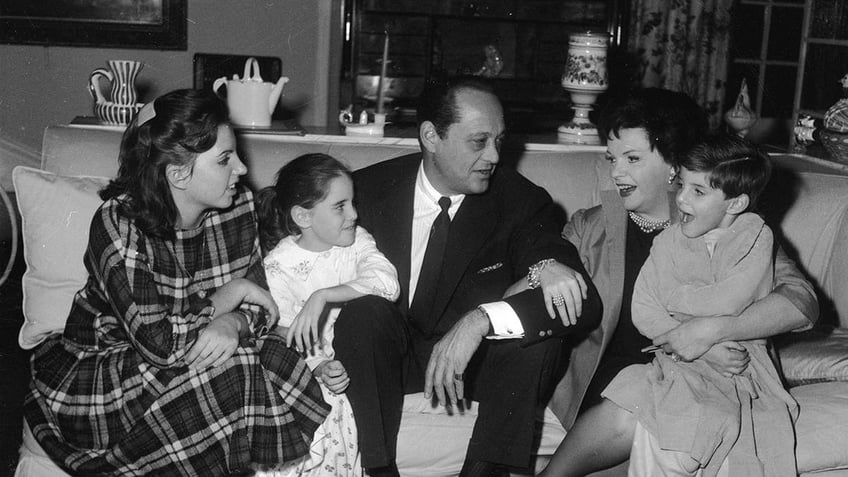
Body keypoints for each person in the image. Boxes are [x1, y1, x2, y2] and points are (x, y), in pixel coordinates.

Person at [23, 89, 330, 476]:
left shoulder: (237, 208)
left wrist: (233, 322)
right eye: (224, 159)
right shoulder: (117, 223)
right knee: (232, 368)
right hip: (109, 374)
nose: (240, 169)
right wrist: (229, 296)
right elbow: (161, 345)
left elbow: (263, 308)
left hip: (186, 362)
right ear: (178, 173)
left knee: (275, 360)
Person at [538, 89, 818, 476]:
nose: (615, 172)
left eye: (632, 159)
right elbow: (541, 271)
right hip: (599, 387)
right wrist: (541, 269)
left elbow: (800, 301)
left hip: (689, 385)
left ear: (673, 164)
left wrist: (712, 332)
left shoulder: (719, 221)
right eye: (611, 158)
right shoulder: (590, 225)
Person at [340, 77, 602, 477]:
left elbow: (581, 303)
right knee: (363, 313)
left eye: (499, 140)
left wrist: (480, 320)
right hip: (389, 362)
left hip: (477, 370)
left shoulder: (520, 201)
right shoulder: (367, 192)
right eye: (479, 142)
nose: (495, 155)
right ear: (431, 136)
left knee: (533, 339)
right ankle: (375, 470)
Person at [256, 153, 400, 476]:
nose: (354, 213)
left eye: (352, 202)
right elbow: (279, 338)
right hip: (309, 372)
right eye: (340, 206)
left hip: (358, 361)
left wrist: (323, 296)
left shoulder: (356, 242)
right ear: (303, 217)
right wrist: (318, 365)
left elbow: (387, 283)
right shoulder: (278, 266)